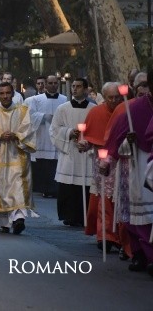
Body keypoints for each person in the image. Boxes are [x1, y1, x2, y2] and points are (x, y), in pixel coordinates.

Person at [104, 68, 153, 274]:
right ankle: (143, 255)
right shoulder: (135, 109)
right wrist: (129, 142)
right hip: (140, 164)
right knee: (141, 217)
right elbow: (118, 142)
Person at [0, 82, 37, 234]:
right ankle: (4, 222)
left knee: (17, 186)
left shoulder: (22, 111)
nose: (5, 96)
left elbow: (29, 131)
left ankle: (18, 219)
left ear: (13, 94)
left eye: (8, 93)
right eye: (2, 93)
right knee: (1, 189)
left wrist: (16, 135)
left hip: (17, 156)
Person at [49, 77, 95, 227]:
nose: (75, 89)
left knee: (86, 186)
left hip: (87, 153)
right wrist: (69, 132)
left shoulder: (93, 109)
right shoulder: (63, 108)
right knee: (68, 187)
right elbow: (54, 130)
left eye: (79, 86)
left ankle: (85, 217)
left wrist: (88, 142)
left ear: (86, 89)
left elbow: (98, 131)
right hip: (69, 152)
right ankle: (69, 216)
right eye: (73, 86)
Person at [83, 82, 123, 253]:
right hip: (101, 160)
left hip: (121, 161)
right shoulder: (95, 112)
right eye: (110, 98)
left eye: (117, 97)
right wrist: (83, 144)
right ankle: (105, 235)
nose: (114, 101)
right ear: (103, 97)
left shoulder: (124, 110)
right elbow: (86, 139)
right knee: (105, 198)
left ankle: (121, 236)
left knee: (120, 199)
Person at [24, 75, 67, 198]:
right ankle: (44, 188)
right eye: (50, 83)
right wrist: (43, 116)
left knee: (55, 163)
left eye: (55, 83)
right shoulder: (36, 100)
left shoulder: (64, 99)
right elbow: (29, 116)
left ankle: (55, 189)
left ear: (58, 84)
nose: (53, 85)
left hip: (57, 135)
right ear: (46, 85)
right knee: (43, 164)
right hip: (42, 135)